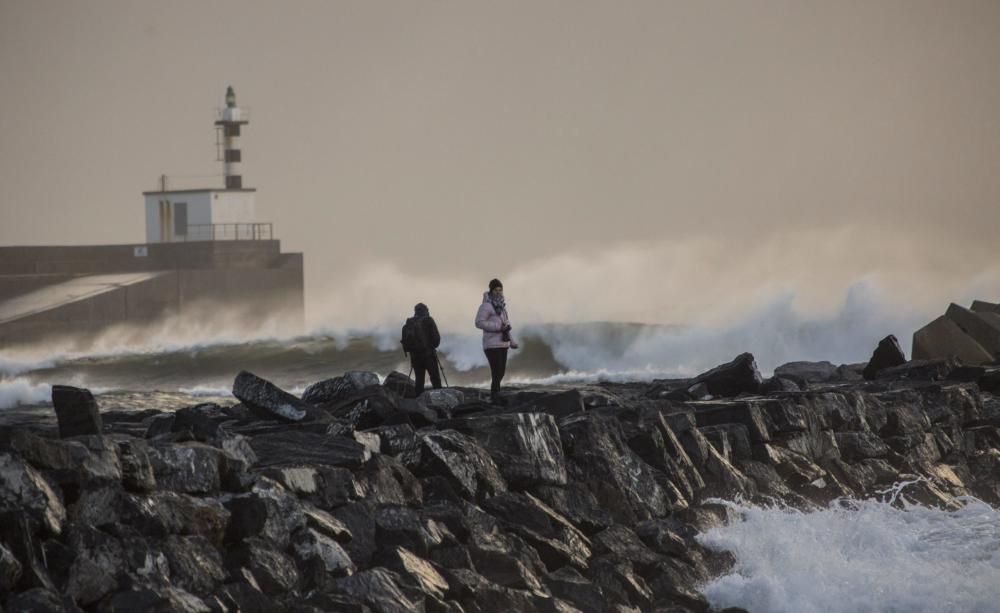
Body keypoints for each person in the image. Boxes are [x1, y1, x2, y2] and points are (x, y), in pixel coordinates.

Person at [475, 278, 519, 403]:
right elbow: (478, 323)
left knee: (501, 372)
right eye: (496, 290)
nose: (499, 292)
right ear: (491, 290)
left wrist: (512, 341)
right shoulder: (486, 306)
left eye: (501, 289)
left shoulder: (502, 307)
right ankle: (495, 396)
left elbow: (505, 326)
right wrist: (497, 327)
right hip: (491, 345)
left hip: (503, 343)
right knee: (496, 372)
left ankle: (496, 395)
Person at [401, 302, 442, 396]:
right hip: (428, 355)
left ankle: (419, 401)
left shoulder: (410, 322)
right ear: (425, 310)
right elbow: (436, 340)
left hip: (415, 356)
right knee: (435, 379)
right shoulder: (429, 320)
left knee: (419, 381)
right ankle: (440, 399)